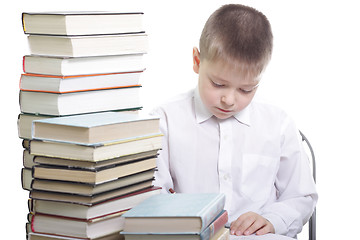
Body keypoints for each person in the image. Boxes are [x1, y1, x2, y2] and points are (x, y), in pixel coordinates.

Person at [151, 4, 317, 238]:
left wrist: (272, 220)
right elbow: (152, 197)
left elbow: (300, 196)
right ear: (197, 61)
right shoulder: (164, 120)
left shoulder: (277, 124)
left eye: (246, 89)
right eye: (218, 84)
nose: (229, 100)